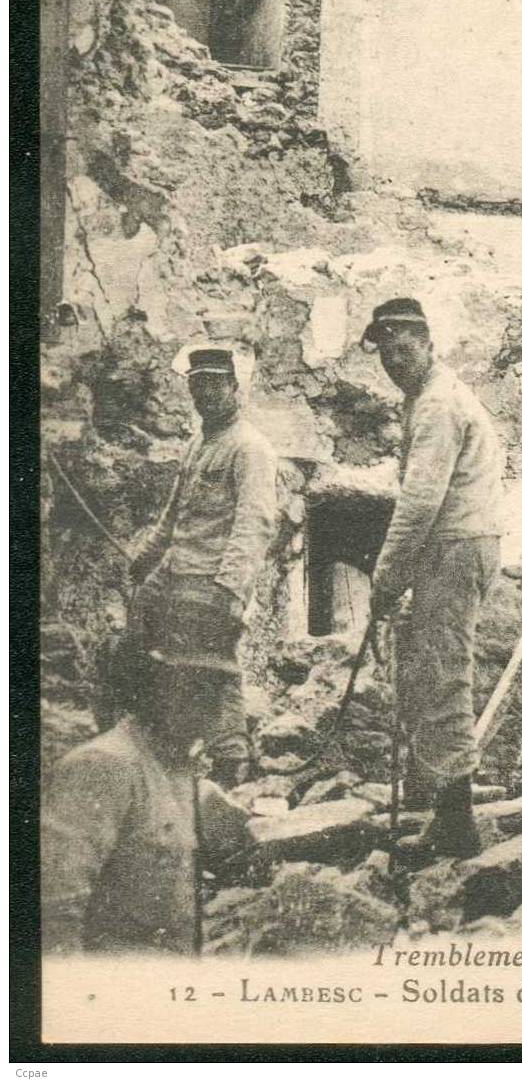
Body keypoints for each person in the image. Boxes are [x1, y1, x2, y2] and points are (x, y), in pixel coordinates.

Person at [363, 298, 503, 859]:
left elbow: (421, 500)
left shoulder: (439, 404)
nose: (394, 361)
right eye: (385, 353)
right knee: (432, 673)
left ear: (427, 343)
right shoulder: (426, 398)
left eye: (404, 348)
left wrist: (386, 574)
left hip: (455, 545)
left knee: (444, 674)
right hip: (454, 545)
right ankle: (444, 805)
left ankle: (456, 822)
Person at [125, 344, 277, 788]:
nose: (204, 394)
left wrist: (230, 590)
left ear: (234, 389)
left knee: (212, 669)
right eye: (197, 385)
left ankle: (230, 765)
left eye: (214, 384)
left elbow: (256, 522)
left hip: (209, 582)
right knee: (147, 654)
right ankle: (157, 756)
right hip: (173, 574)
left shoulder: (250, 449)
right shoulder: (198, 443)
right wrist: (147, 557)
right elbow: (174, 516)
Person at [42, 640, 252, 956]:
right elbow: (54, 914)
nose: (211, 703)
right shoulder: (103, 765)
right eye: (192, 685)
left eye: (217, 687)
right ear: (153, 689)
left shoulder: (179, 768)